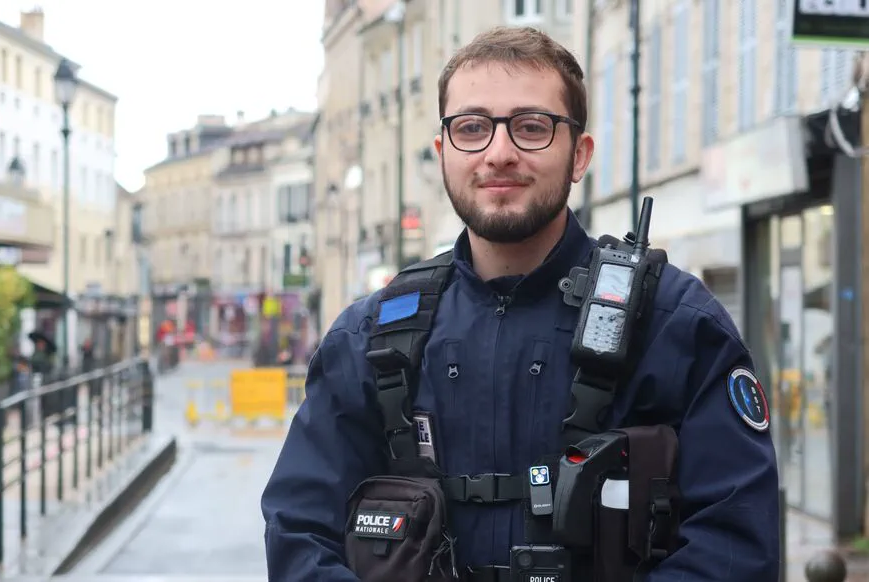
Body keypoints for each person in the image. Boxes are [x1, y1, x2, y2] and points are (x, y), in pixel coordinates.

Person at [261, 26, 779, 581]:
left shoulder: (675, 326)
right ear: (442, 153)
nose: (499, 153)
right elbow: (299, 532)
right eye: (472, 128)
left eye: (532, 126)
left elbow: (735, 545)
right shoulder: (369, 337)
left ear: (579, 155)